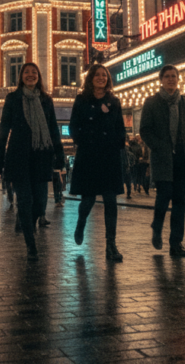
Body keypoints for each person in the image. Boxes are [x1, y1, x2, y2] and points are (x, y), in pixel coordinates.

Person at [0, 62, 65, 261]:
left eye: (34, 72)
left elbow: (53, 129)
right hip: (18, 156)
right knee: (25, 201)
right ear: (21, 76)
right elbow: (3, 129)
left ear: (39, 76)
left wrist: (59, 155)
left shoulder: (46, 100)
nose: (31, 75)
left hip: (41, 157)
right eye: (27, 72)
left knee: (40, 203)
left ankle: (26, 222)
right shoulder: (13, 98)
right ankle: (30, 244)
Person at [139, 65, 185, 258]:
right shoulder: (152, 102)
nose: (171, 79)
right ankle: (157, 227)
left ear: (178, 79)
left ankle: (176, 243)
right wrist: (159, 147)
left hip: (182, 158)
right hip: (163, 157)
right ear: (161, 80)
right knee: (163, 197)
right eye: (167, 76)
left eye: (174, 76)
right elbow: (145, 130)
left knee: (180, 202)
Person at [69, 64, 126, 262]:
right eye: (97, 75)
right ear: (91, 78)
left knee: (111, 200)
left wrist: (118, 144)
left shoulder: (114, 101)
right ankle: (81, 221)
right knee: (88, 200)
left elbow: (120, 128)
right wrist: (83, 139)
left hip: (109, 157)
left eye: (104, 75)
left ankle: (111, 244)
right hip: (89, 156)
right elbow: (73, 126)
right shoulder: (81, 100)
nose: (101, 78)